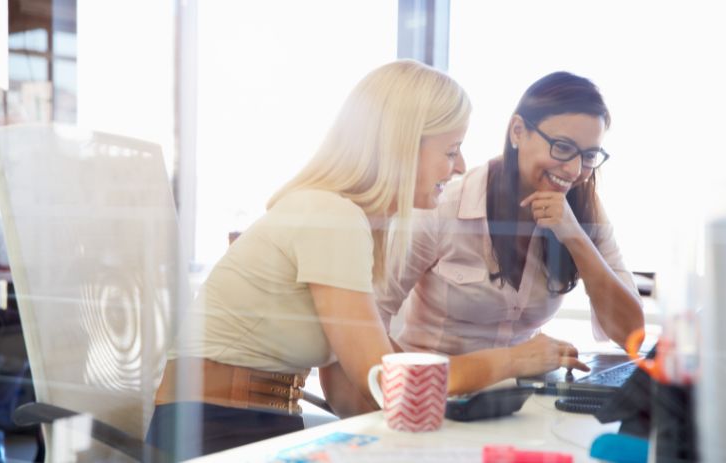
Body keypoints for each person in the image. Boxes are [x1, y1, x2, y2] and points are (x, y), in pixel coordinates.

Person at [146, 59, 510, 460]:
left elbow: (345, 393)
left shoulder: (350, 223)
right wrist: (513, 362)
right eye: (452, 150)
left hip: (255, 426)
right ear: (404, 147)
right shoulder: (332, 217)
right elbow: (385, 379)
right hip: (213, 433)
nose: (459, 167)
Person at [376, 71, 644, 383]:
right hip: (439, 395)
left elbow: (631, 336)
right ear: (518, 131)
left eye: (589, 156)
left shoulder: (586, 209)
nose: (573, 169)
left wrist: (575, 237)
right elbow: (369, 320)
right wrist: (411, 388)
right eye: (561, 147)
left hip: (518, 402)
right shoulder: (446, 205)